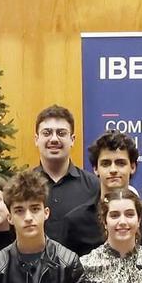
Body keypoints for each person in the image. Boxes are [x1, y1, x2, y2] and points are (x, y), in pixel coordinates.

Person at [88, 131, 142, 257]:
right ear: (95, 169)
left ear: (132, 167)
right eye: (106, 163)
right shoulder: (76, 221)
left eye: (120, 163)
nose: (113, 170)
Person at [34, 106, 102, 255]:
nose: (53, 139)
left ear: (72, 140)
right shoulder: (23, 186)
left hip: (81, 275)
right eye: (47, 133)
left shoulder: (94, 186)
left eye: (61, 133)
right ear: (36, 139)